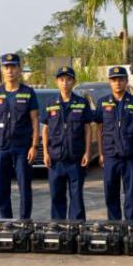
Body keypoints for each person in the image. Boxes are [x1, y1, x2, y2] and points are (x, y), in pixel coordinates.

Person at [0, 53, 40, 218]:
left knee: (24, 186)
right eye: (6, 67)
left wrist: (34, 146)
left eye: (13, 67)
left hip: (22, 147)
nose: (10, 70)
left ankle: (24, 221)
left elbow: (35, 120)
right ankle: (5, 220)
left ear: (19, 70)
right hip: (1, 146)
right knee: (2, 187)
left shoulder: (28, 93)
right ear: (2, 70)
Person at [41, 66, 93, 220]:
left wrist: (87, 152)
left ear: (73, 82)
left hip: (75, 158)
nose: (65, 83)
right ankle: (58, 228)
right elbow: (45, 130)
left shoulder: (82, 103)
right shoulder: (50, 103)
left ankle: (77, 228)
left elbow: (88, 129)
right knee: (56, 196)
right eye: (61, 79)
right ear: (57, 82)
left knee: (76, 197)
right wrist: (45, 152)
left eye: (68, 79)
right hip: (56, 159)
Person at [94, 65, 133, 222]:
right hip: (110, 154)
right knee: (111, 190)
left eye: (121, 80)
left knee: (131, 192)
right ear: (110, 82)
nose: (117, 83)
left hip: (130, 154)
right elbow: (99, 128)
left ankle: (131, 223)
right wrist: (101, 153)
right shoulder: (102, 103)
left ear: (126, 81)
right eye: (114, 80)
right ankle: (114, 223)